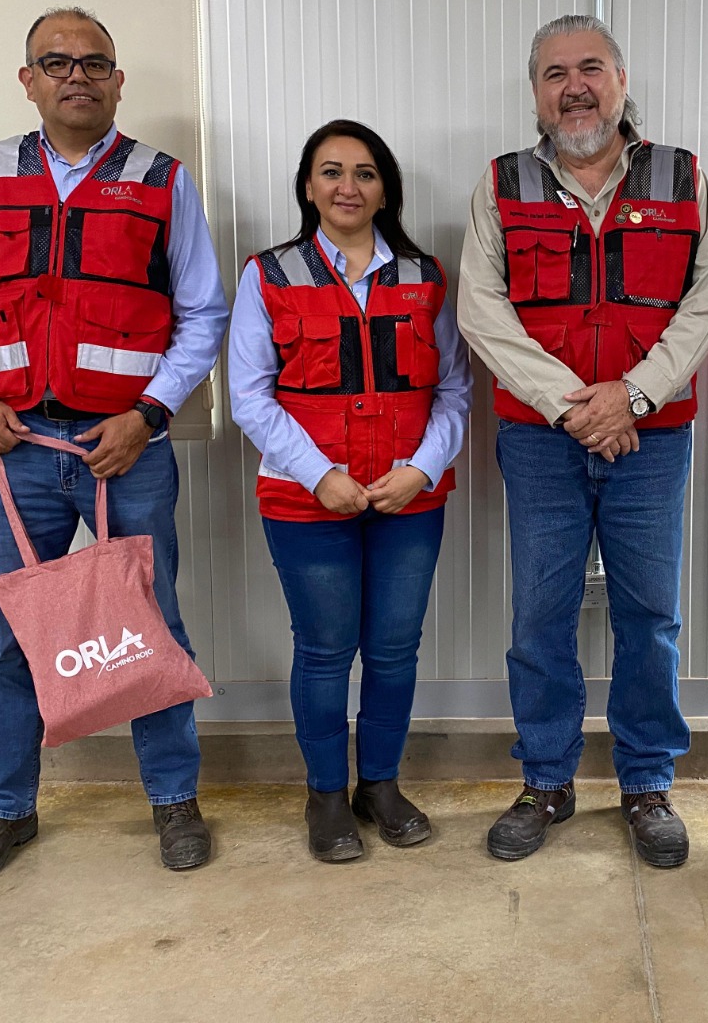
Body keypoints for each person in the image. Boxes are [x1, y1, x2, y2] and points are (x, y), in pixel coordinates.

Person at [0, 7, 229, 885]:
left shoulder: (161, 179)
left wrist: (148, 414)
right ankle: (5, 811)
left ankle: (174, 799)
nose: (76, 75)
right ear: (26, 79)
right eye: (55, 62)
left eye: (94, 62)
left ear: (118, 79)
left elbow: (203, 312)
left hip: (125, 449)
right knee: (11, 641)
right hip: (14, 446)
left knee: (152, 628)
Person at [458, 14, 708, 867]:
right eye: (553, 73)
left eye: (591, 68)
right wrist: (572, 406)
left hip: (652, 437)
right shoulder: (501, 184)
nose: (573, 86)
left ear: (620, 79)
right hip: (541, 438)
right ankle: (546, 778)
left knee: (649, 614)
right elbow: (481, 311)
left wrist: (636, 397)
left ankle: (648, 782)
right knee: (540, 614)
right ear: (534, 90)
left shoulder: (681, 176)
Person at [228, 120, 470, 861]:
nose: (347, 186)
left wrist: (420, 471)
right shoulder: (268, 274)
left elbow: (455, 389)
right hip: (308, 503)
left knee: (395, 650)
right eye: (331, 171)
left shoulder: (426, 276)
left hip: (408, 500)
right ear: (307, 185)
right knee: (327, 650)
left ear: (384, 189)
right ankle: (327, 794)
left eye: (364, 173)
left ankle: (381, 785)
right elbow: (249, 395)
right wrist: (321, 475)